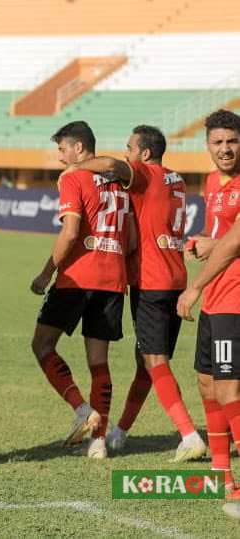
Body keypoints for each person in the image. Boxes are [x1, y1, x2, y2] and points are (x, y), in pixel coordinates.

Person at [69, 125, 205, 462]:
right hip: (175, 277)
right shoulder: (176, 178)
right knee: (146, 363)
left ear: (144, 154)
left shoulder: (145, 173)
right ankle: (120, 432)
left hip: (151, 281)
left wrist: (78, 165)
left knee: (153, 360)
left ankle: (188, 435)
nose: (127, 153)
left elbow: (113, 167)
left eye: (130, 148)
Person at [31, 121, 128, 459]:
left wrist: (46, 273)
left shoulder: (74, 177)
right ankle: (98, 441)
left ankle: (82, 409)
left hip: (78, 277)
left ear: (78, 147)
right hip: (113, 278)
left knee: (42, 345)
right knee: (99, 362)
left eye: (62, 149)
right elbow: (128, 237)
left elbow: (70, 233)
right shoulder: (119, 182)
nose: (60, 157)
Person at [176, 109, 240, 497]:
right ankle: (221, 474)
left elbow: (234, 242)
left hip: (233, 297)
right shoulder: (212, 182)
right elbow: (220, 234)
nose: (225, 149)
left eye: (232, 141)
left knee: (230, 390)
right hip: (215, 298)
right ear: (207, 147)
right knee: (207, 383)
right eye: (218, 142)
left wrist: (194, 286)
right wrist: (200, 240)